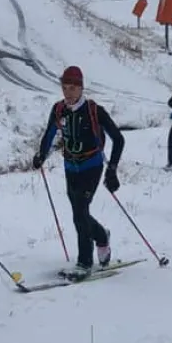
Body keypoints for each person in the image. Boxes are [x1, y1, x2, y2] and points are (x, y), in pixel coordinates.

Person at [32, 66, 125, 280]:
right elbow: (49, 134)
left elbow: (118, 139)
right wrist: (41, 156)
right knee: (78, 214)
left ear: (81, 88)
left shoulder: (94, 110)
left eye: (73, 88)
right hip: (70, 167)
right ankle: (102, 237)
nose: (68, 93)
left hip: (92, 167)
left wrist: (112, 169)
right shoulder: (58, 110)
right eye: (65, 87)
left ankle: (84, 262)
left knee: (80, 213)